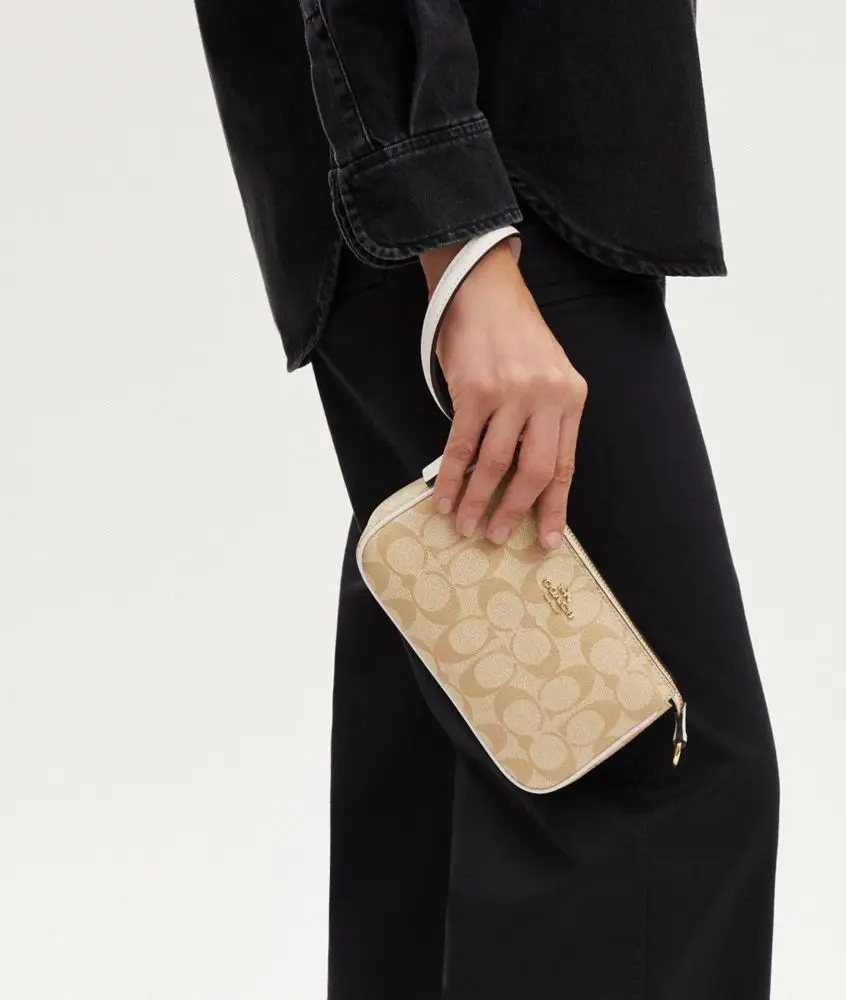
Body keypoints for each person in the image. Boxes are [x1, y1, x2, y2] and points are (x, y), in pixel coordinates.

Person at [194, 2, 780, 998]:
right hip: (487, 192)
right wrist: (453, 233)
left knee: (461, 802)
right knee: (642, 776)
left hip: (478, 176)